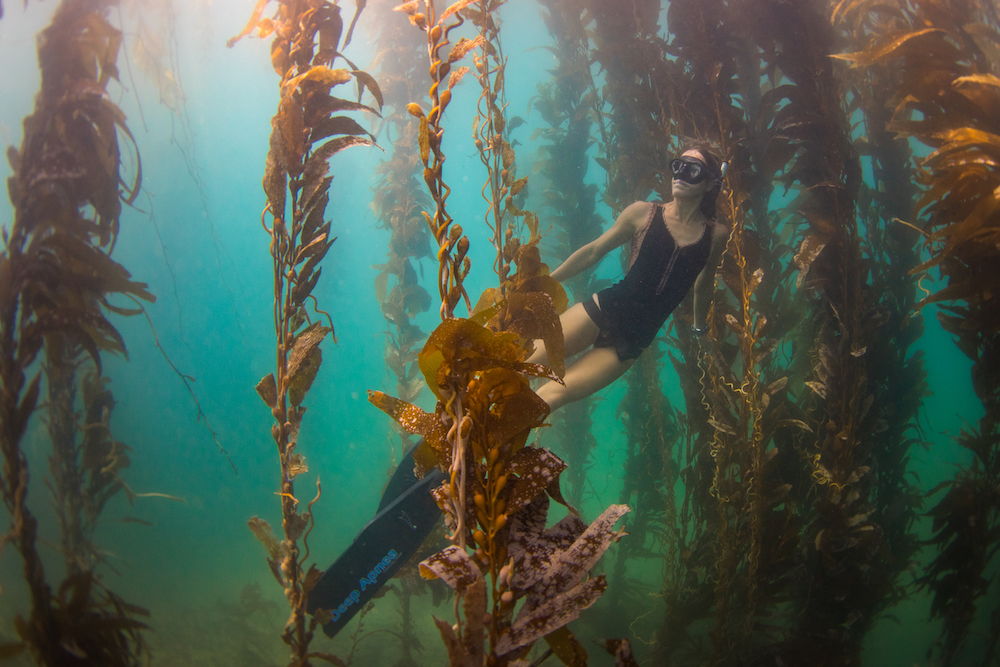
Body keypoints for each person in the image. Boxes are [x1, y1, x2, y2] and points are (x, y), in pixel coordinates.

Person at [528, 142, 730, 412]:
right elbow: (593, 251)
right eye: (677, 166)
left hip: (630, 343)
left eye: (693, 170)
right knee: (518, 363)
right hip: (601, 311)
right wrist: (542, 283)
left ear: (709, 184)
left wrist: (699, 328)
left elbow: (703, 284)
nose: (681, 174)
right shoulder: (642, 213)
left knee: (549, 397)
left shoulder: (715, 236)